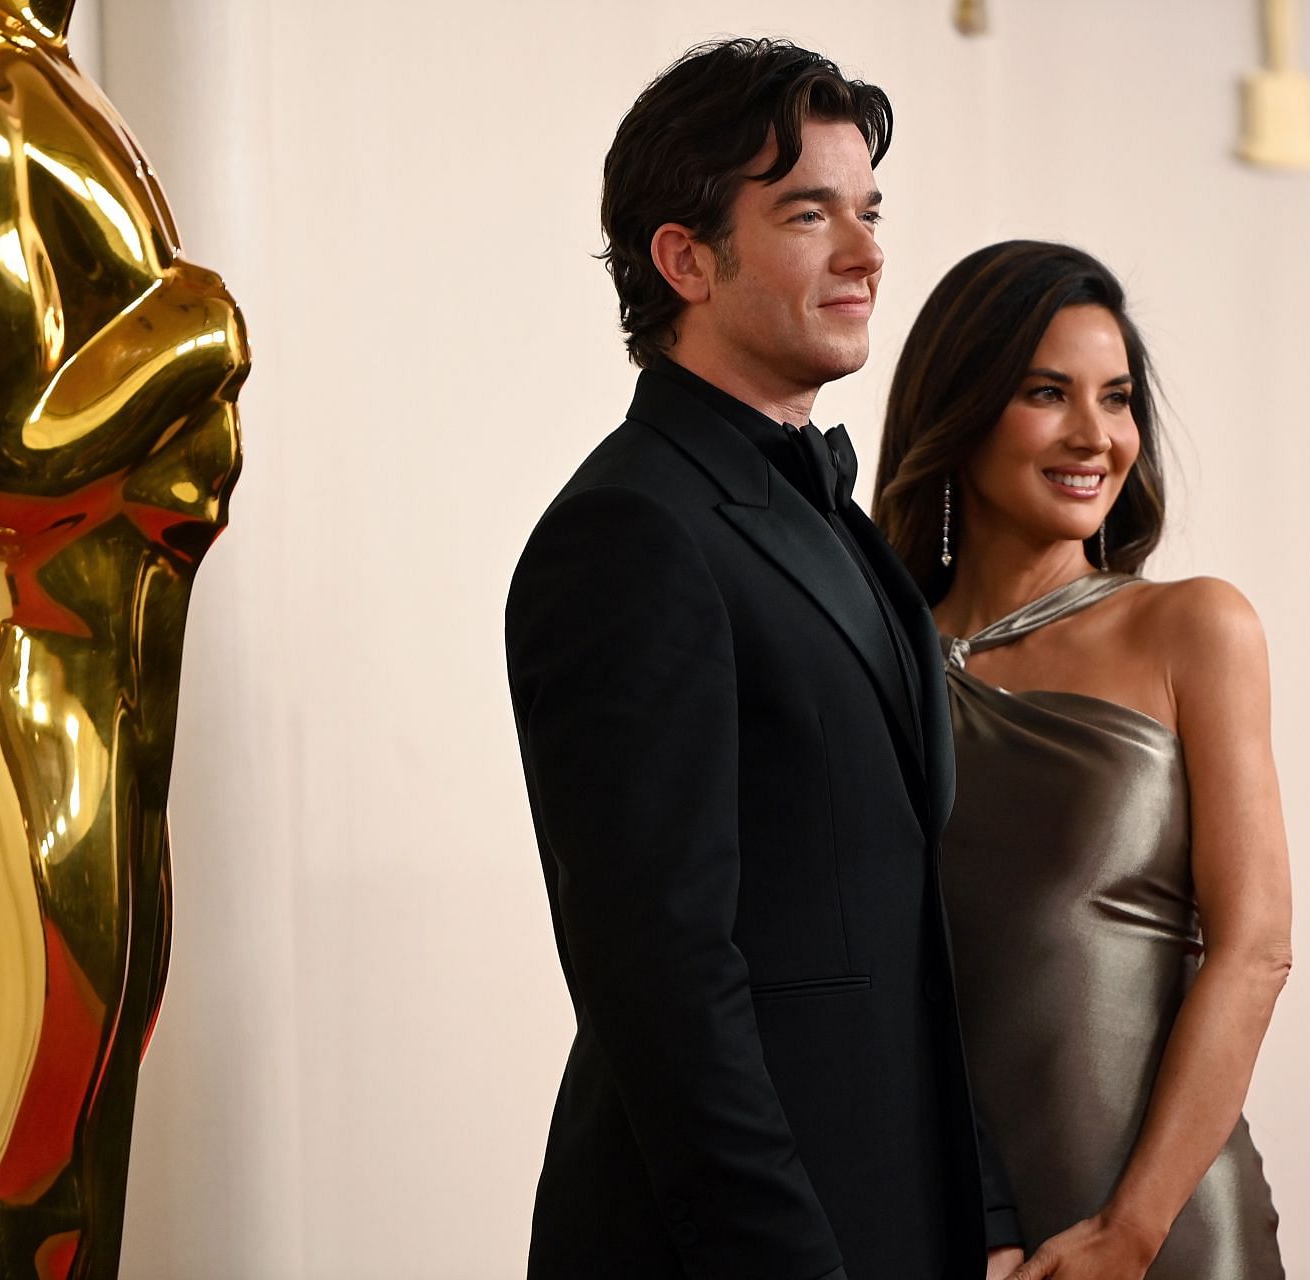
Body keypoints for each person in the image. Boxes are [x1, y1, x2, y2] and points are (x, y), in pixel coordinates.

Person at [505, 40, 1023, 1280]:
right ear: (686, 258)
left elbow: (906, 935)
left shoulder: (839, 521)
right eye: (808, 213)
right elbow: (662, 977)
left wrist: (986, 1211)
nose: (866, 252)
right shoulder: (628, 531)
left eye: (869, 210)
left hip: (899, 1213)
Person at [0, 1, 246, 1273]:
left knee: (79, 1159)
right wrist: (194, 331)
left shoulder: (36, 87)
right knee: (23, 1185)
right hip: (26, 681)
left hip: (101, 673)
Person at [873, 241, 1291, 1279]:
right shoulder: (878, 661)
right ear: (960, 409)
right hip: (959, 1232)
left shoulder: (1193, 627)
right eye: (1046, 393)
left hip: (1164, 1226)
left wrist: (1129, 1230)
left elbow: (1255, 948)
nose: (1093, 436)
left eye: (1116, 398)